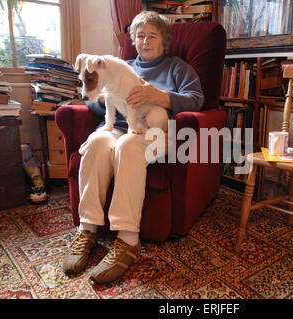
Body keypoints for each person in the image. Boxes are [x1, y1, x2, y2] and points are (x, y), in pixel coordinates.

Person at [62, 11, 204, 284]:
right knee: (97, 142)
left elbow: (197, 100)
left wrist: (160, 96)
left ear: (164, 41)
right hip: (119, 126)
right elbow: (93, 99)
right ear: (133, 40)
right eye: (140, 36)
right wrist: (108, 98)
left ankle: (127, 239)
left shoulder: (178, 68)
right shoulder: (119, 65)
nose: (145, 41)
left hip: (154, 131)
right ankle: (87, 229)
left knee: (128, 145)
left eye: (153, 35)